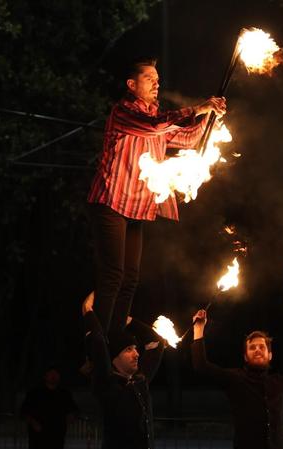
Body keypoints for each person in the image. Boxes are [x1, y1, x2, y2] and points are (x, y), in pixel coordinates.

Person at [86, 57, 227, 337]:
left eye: (157, 78)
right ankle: (97, 344)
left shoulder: (157, 118)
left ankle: (113, 341)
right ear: (131, 84)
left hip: (137, 208)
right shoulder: (124, 112)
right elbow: (154, 126)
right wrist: (199, 108)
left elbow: (187, 139)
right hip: (111, 202)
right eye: (149, 78)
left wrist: (209, 117)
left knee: (130, 280)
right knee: (113, 275)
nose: (156, 83)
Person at [191, 309, 283, 449]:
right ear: (245, 356)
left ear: (270, 355)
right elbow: (201, 366)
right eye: (252, 347)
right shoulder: (234, 379)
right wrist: (198, 329)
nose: (257, 349)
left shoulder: (280, 383)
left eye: (262, 347)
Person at [82, 290, 166, 449]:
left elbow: (155, 342)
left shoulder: (140, 380)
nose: (136, 354)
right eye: (128, 349)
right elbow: (98, 342)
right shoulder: (106, 383)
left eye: (135, 348)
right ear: (113, 358)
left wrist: (124, 320)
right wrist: (88, 311)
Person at [19, 366, 79, 449]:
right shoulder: (34, 393)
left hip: (57, 436)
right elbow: (24, 411)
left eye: (56, 374)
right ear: (45, 376)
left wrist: (70, 418)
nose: (53, 376)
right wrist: (33, 422)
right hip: (38, 437)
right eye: (51, 374)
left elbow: (73, 410)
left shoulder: (64, 394)